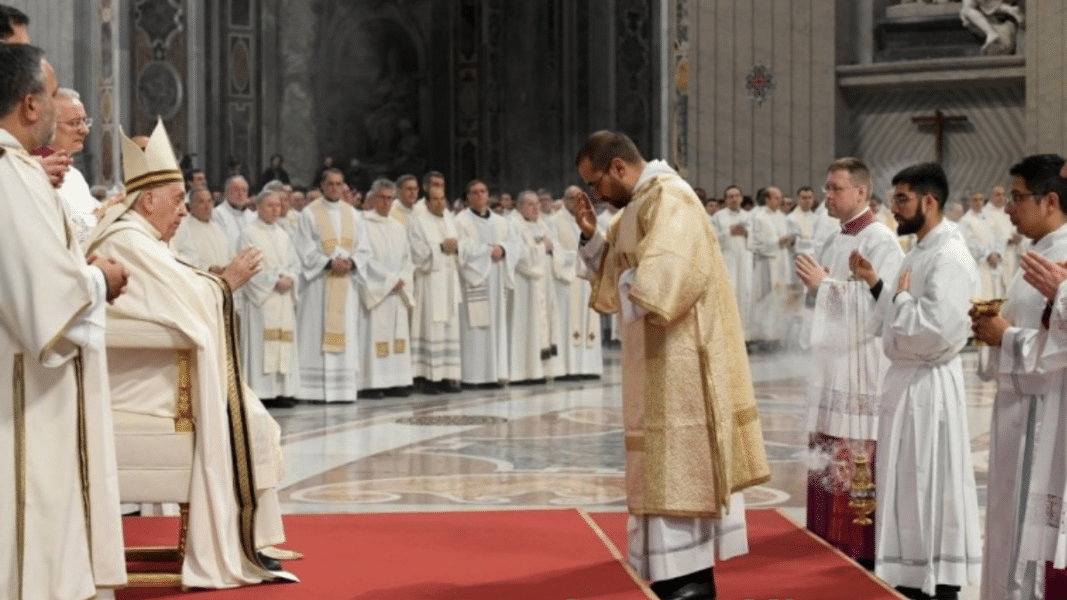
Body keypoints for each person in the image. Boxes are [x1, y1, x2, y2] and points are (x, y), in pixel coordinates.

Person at [86, 118, 295, 588]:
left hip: (147, 368)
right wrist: (226, 284)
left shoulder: (141, 237)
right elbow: (184, 302)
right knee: (247, 415)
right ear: (148, 201)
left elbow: (178, 291)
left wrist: (217, 283)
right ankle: (242, 540)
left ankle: (250, 538)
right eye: (178, 200)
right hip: (138, 380)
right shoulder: (128, 239)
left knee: (249, 411)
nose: (183, 211)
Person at [573, 130, 769, 600]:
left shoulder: (671, 198)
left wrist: (630, 281)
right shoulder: (637, 205)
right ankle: (672, 574)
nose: (596, 195)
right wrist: (592, 238)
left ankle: (690, 577)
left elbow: (672, 274)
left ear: (618, 167)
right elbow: (617, 271)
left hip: (683, 361)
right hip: (654, 357)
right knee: (658, 463)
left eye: (596, 183)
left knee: (680, 463)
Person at [0, 41, 129, 600]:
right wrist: (101, 279)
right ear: (31, 104)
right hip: (21, 386)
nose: (58, 107)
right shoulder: (11, 174)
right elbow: (42, 299)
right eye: (52, 94)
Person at [864, 163, 982, 600]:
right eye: (894, 198)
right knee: (906, 483)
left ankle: (935, 583)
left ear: (929, 202)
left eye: (902, 199)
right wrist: (881, 287)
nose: (893, 208)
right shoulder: (917, 251)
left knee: (931, 485)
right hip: (907, 381)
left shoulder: (949, 255)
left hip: (930, 385)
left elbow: (935, 331)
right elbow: (897, 315)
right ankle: (910, 577)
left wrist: (898, 298)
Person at [794, 157, 904, 568]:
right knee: (827, 440)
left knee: (853, 447)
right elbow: (824, 296)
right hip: (833, 362)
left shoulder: (881, 241)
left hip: (861, 364)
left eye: (835, 188)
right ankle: (825, 535)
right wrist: (816, 290)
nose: (828, 195)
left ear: (861, 192)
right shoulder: (832, 238)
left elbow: (881, 307)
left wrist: (824, 288)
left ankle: (857, 544)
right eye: (826, 188)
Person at [971, 154, 1067, 600]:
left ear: (1050, 202)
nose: (1008, 208)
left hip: (1045, 419)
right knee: (1006, 522)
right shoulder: (1042, 253)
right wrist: (993, 333)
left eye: (1017, 197)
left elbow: (1059, 354)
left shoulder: (1061, 256)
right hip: (1017, 411)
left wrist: (1005, 337)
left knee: (1027, 531)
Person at [294, 167, 372, 402]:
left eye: (339, 184)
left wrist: (352, 262)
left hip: (345, 285)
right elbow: (304, 250)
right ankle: (313, 390)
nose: (335, 188)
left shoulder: (353, 214)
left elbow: (364, 249)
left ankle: (343, 390)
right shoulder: (309, 214)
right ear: (322, 186)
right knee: (315, 332)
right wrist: (329, 263)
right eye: (331, 184)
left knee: (345, 330)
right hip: (319, 286)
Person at [454, 179, 522, 388]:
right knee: (475, 328)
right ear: (468, 198)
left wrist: (503, 249)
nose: (480, 195)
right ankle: (473, 377)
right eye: (475, 192)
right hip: (475, 281)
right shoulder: (460, 221)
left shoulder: (502, 222)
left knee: (497, 325)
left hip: (497, 281)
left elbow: (515, 244)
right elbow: (461, 248)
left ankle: (495, 374)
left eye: (483, 191)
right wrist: (487, 251)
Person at [238, 188, 301, 407]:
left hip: (283, 299)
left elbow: (295, 264)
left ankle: (282, 392)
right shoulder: (249, 233)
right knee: (262, 345)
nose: (276, 210)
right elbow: (247, 267)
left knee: (283, 343)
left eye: (278, 205)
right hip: (262, 301)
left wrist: (292, 278)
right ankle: (262, 392)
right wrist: (274, 281)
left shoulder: (284, 234)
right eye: (270, 205)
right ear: (258, 207)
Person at [358, 179, 414, 398]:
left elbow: (407, 259)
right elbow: (365, 259)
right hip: (378, 291)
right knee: (375, 335)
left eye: (390, 198)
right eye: (382, 197)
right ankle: (372, 383)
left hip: (397, 291)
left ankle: (396, 381)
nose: (386, 202)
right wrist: (390, 280)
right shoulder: (362, 224)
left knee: (397, 335)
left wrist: (402, 279)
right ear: (372, 199)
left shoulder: (398, 227)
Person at [409, 185, 464, 394]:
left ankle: (446, 376)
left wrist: (457, 248)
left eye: (443, 199)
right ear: (427, 202)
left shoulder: (449, 219)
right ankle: (427, 378)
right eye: (435, 199)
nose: (440, 203)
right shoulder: (418, 222)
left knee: (449, 329)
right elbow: (417, 254)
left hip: (449, 281)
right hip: (430, 283)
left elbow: (461, 246)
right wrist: (441, 247)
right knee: (431, 330)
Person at [545, 185, 603, 380]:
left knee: (588, 321)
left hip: (587, 280)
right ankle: (569, 369)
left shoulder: (589, 218)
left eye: (580, 198)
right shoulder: (554, 221)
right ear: (565, 200)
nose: (577, 202)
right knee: (567, 322)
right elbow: (554, 249)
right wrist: (578, 257)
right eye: (573, 198)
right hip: (566, 282)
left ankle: (588, 367)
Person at [509, 190, 559, 383]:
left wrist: (551, 250)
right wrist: (542, 248)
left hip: (543, 283)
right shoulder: (513, 224)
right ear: (519, 206)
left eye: (537, 204)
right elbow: (518, 254)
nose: (536, 208)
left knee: (542, 325)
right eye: (530, 204)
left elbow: (554, 247)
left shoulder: (542, 225)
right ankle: (523, 371)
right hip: (524, 284)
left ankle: (540, 371)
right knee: (526, 326)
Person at [50, 88, 100, 245]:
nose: (85, 130)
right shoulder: (36, 173)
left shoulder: (75, 176)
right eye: (75, 123)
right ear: (48, 126)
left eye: (85, 121)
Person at [747, 185, 793, 351]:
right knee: (766, 300)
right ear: (766, 200)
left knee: (781, 299)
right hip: (767, 264)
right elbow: (755, 244)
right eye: (776, 198)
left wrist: (788, 241)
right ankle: (764, 337)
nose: (780, 201)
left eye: (780, 198)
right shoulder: (759, 218)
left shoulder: (782, 217)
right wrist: (777, 242)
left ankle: (778, 336)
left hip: (781, 263)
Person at [710, 184, 754, 340]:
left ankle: (745, 336)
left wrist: (747, 233)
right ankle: (728, 335)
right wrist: (729, 231)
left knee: (746, 293)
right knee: (730, 293)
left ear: (741, 198)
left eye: (737, 196)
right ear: (726, 200)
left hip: (745, 259)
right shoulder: (718, 217)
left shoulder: (749, 216)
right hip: (728, 259)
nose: (734, 199)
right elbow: (712, 238)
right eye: (730, 196)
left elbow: (757, 238)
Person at [171, 186, 232, 273]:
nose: (207, 206)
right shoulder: (181, 227)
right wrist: (208, 269)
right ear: (190, 206)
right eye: (201, 202)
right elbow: (178, 257)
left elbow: (229, 256)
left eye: (209, 201)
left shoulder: (218, 229)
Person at [959, 192, 999, 299]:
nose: (978, 202)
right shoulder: (965, 221)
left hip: (992, 264)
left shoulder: (987, 218)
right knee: (980, 297)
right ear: (970, 202)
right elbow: (969, 243)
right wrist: (988, 255)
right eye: (975, 200)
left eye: (981, 199)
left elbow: (995, 237)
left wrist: (996, 253)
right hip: (978, 264)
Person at [213, 174, 254, 254]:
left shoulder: (252, 216)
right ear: (226, 192)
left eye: (244, 190)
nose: (240, 194)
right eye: (236, 190)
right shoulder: (217, 214)